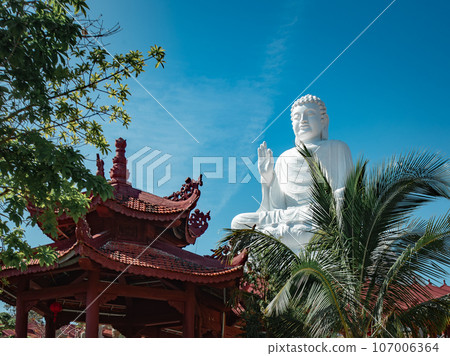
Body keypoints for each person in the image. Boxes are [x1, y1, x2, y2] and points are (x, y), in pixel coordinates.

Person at [231, 94, 353, 253]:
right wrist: (268, 178)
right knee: (238, 222)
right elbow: (277, 206)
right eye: (297, 117)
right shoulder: (284, 157)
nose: (302, 120)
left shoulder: (337, 148)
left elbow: (348, 195)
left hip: (322, 215)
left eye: (309, 114)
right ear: (292, 124)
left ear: (324, 121)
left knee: (341, 202)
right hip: (289, 218)